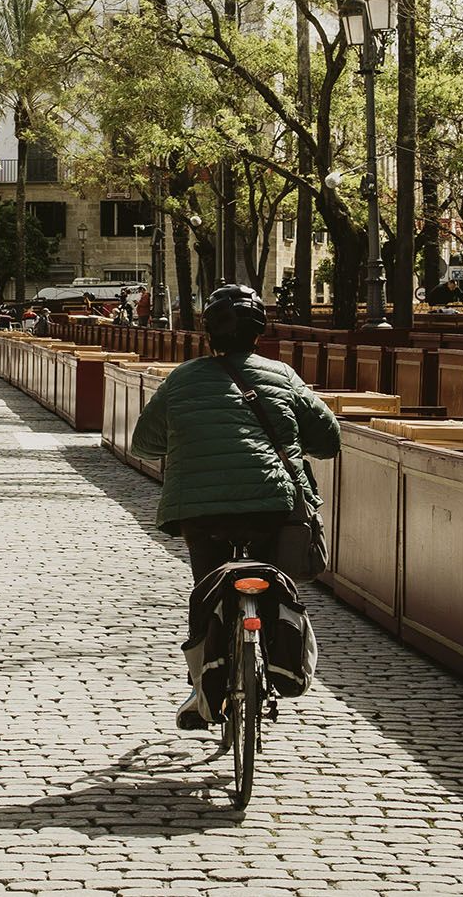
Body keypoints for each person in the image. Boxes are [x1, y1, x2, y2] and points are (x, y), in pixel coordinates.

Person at [128, 282, 341, 730]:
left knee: (209, 592)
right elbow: (329, 439)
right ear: (258, 333)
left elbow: (143, 443)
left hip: (200, 513)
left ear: (209, 333)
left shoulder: (182, 378)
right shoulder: (282, 375)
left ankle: (201, 689)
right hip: (273, 506)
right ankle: (278, 655)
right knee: (273, 579)